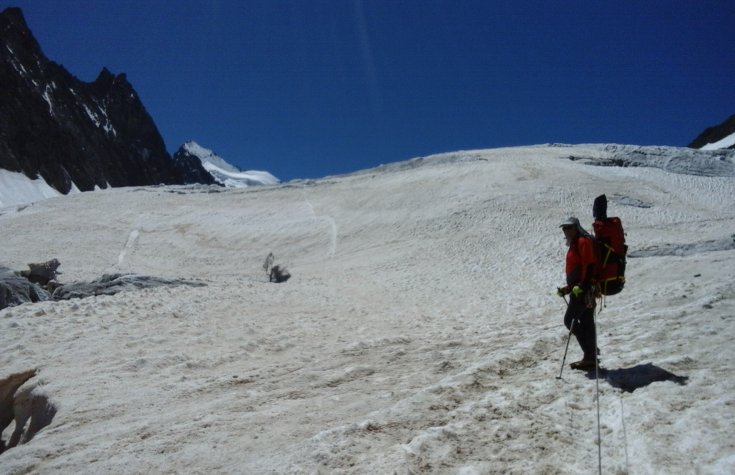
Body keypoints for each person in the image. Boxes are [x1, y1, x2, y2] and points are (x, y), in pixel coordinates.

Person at [556, 217, 598, 370]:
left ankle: (590, 352)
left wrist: (583, 285)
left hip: (583, 290)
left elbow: (590, 264)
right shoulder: (576, 243)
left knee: (570, 320)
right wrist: (568, 288)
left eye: (568, 228)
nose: (566, 231)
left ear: (576, 228)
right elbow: (580, 268)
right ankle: (590, 355)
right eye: (564, 228)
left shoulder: (582, 242)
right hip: (582, 288)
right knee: (586, 321)